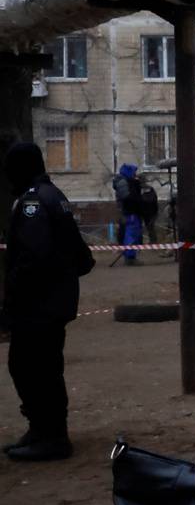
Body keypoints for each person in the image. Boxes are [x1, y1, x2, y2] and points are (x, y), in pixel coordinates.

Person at [3, 142, 94, 462]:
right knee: (42, 366)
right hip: (52, 302)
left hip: (38, 304)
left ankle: (51, 435)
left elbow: (32, 258)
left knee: (31, 367)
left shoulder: (32, 202)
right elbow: (83, 258)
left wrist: (11, 299)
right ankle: (43, 430)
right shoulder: (53, 196)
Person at [112, 163, 146, 262]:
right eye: (134, 172)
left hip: (130, 212)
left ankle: (130, 255)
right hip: (130, 212)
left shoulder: (123, 181)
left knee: (132, 233)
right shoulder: (124, 182)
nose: (135, 174)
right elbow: (128, 198)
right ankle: (130, 256)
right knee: (131, 233)